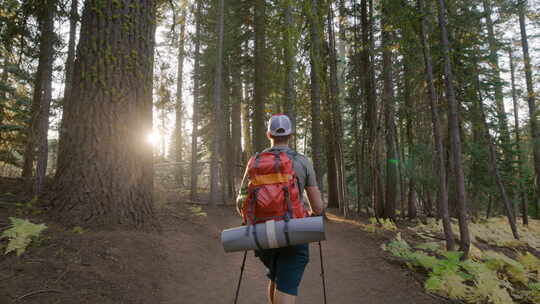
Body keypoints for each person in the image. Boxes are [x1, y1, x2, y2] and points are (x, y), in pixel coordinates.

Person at [236, 114, 324, 304]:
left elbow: (240, 201)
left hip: (263, 235)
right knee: (287, 285)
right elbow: (318, 207)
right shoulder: (302, 161)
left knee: (276, 277)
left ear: (269, 134)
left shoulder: (255, 161)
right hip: (294, 232)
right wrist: (310, 213)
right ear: (291, 135)